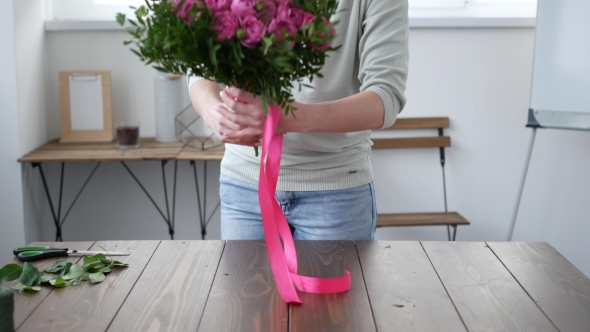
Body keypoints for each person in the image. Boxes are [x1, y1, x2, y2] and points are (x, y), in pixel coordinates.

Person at [187, 0, 408, 241]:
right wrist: (215, 113)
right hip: (245, 186)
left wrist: (284, 118)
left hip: (335, 192)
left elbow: (385, 98)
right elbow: (199, 66)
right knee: (244, 280)